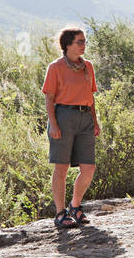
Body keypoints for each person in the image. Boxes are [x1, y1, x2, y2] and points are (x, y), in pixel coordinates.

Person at [42, 25, 100, 228]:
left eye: (84, 41)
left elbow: (91, 96)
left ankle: (75, 206)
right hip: (63, 116)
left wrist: (95, 121)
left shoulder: (88, 67)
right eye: (80, 41)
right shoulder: (55, 67)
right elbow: (49, 99)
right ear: (67, 45)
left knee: (89, 168)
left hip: (85, 119)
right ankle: (60, 213)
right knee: (62, 167)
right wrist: (53, 125)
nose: (84, 45)